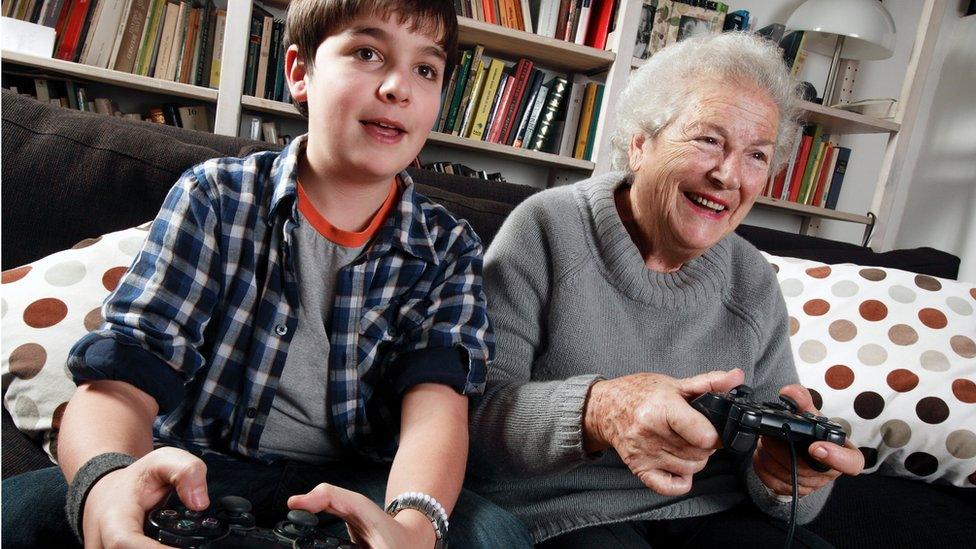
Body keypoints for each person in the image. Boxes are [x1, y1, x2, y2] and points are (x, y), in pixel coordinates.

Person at [1, 1, 533, 548]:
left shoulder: (448, 248)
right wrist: (109, 485)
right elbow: (126, 374)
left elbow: (436, 411)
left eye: (426, 69)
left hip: (358, 482)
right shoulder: (215, 197)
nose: (399, 86)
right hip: (199, 465)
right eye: (368, 53)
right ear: (300, 73)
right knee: (18, 514)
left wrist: (414, 528)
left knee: (497, 536)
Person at [468, 32, 865, 547]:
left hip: (707, 510)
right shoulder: (547, 228)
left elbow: (783, 480)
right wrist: (599, 410)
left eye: (757, 156)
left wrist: (784, 476)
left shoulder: (751, 278)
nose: (728, 175)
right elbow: (469, 419)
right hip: (561, 512)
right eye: (708, 140)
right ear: (639, 143)